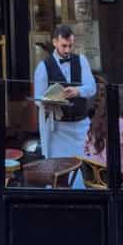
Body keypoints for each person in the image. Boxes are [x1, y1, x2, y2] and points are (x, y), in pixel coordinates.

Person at [34, 24, 96, 158]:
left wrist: (78, 90)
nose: (67, 50)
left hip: (81, 126)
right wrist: (51, 101)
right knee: (61, 165)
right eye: (64, 46)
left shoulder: (81, 60)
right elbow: (38, 98)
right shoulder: (43, 66)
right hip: (58, 129)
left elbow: (92, 87)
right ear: (55, 42)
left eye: (70, 45)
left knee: (87, 163)